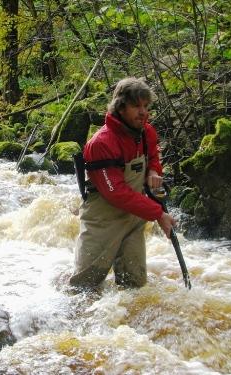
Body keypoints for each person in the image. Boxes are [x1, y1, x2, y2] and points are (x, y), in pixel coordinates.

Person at [70, 77, 176, 288]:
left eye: (146, 106)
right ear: (120, 107)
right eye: (136, 106)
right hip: (102, 222)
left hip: (134, 220)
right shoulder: (101, 144)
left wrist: (153, 170)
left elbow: (153, 155)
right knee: (83, 288)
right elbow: (115, 193)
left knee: (135, 287)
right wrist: (158, 213)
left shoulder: (147, 132)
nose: (143, 112)